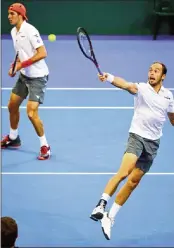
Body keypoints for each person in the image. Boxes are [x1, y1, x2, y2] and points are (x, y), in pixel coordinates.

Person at [90, 62, 174, 240]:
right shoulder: (142, 88)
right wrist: (110, 78)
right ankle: (100, 205)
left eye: (156, 71)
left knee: (133, 181)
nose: (151, 73)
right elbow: (126, 85)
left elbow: (173, 119)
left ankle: (109, 217)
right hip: (137, 137)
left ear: (163, 76)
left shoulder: (169, 97)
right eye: (150, 70)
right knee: (124, 171)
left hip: (153, 144)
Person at [1, 3, 50, 160]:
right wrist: (14, 66)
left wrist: (22, 64)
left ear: (21, 15)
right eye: (8, 13)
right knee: (12, 105)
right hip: (23, 75)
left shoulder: (30, 31)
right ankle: (14, 138)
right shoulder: (14, 31)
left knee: (31, 112)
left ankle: (45, 146)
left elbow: (43, 53)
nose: (9, 16)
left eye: (12, 13)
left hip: (38, 77)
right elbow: (19, 53)